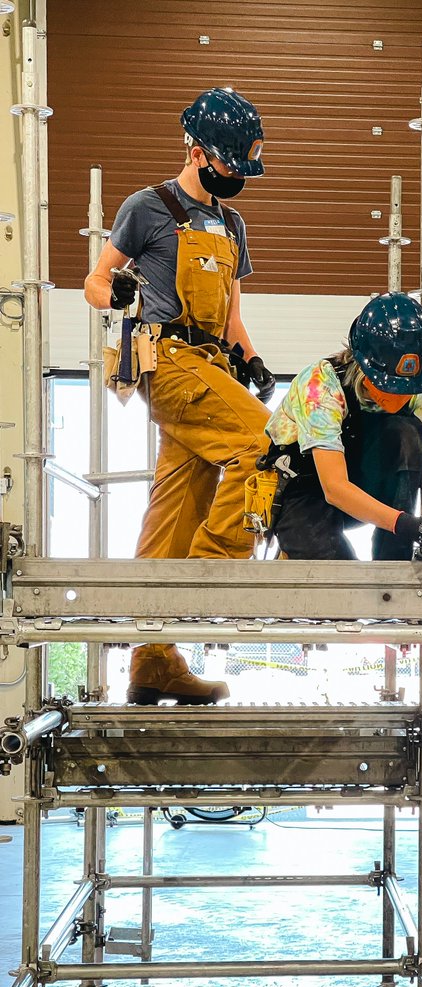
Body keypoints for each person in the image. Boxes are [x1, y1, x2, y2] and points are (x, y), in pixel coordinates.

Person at [84, 86, 275, 705]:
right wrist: (114, 293)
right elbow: (95, 278)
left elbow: (232, 317)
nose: (235, 178)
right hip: (167, 361)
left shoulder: (233, 224)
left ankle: (152, 662)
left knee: (175, 510)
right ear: (197, 152)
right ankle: (209, 582)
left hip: (213, 364)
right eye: (228, 165)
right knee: (264, 443)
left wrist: (252, 359)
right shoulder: (149, 206)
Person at [262, 292, 422, 560]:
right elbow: (334, 487)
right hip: (307, 487)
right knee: (338, 572)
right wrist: (408, 525)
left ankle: (394, 560)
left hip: (364, 477)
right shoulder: (320, 385)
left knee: (406, 433)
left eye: (407, 388)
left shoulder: (421, 388)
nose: (401, 395)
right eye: (390, 386)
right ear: (363, 366)